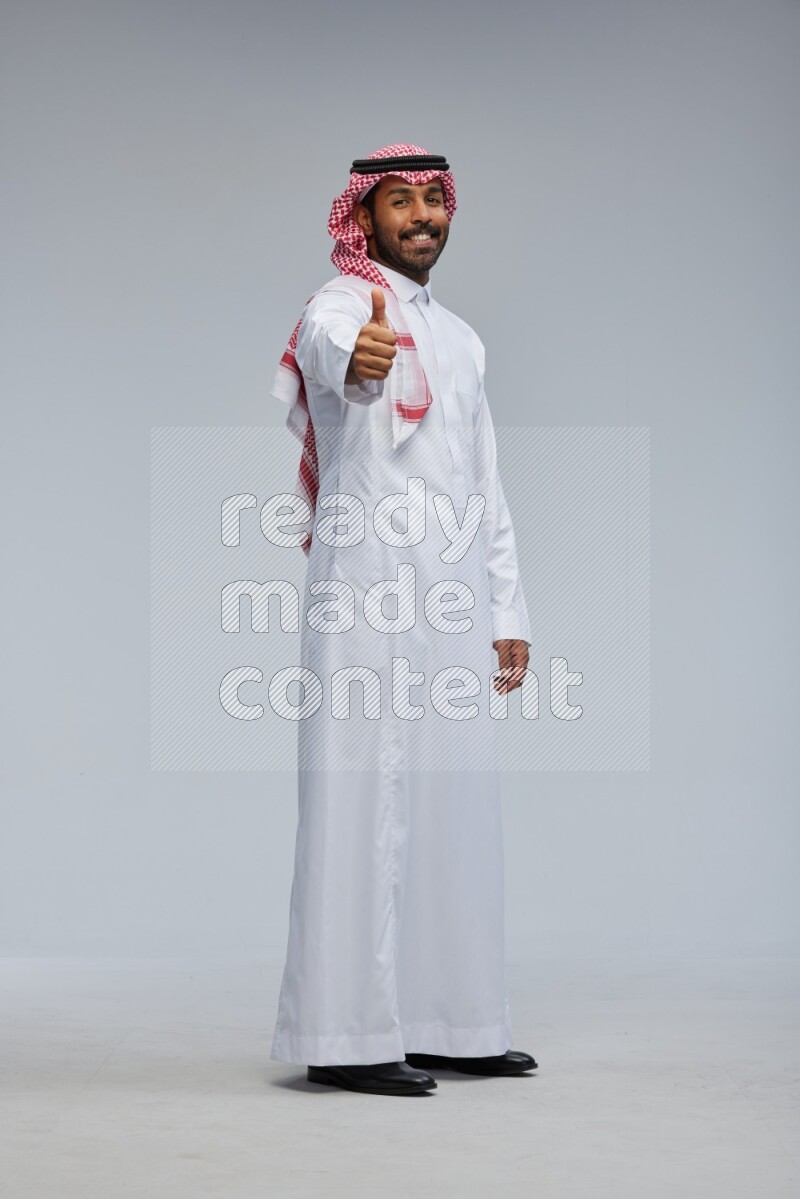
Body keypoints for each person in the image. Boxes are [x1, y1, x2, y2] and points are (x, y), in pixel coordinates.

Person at [269, 144, 537, 1096]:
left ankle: (455, 1021)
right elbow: (335, 358)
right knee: (358, 802)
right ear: (365, 217)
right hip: (368, 593)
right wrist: (364, 357)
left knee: (453, 803)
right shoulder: (339, 306)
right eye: (398, 201)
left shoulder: (461, 339)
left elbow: (485, 478)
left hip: (454, 597)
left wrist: (507, 607)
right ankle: (343, 1035)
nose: (420, 216)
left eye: (433, 199)